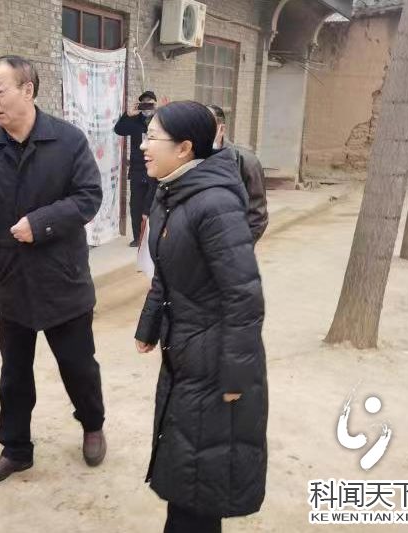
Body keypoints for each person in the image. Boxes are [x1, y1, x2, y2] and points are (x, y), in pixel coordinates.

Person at [0, 55, 107, 486]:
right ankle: (16, 449)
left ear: (27, 90)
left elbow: (88, 197)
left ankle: (92, 423)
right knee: (13, 375)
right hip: (14, 282)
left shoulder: (67, 141)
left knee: (78, 366)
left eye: (0, 90)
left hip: (63, 279)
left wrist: (41, 222)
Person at [134, 101, 268, 532]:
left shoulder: (215, 205)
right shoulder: (171, 194)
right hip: (186, 353)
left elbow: (244, 297)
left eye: (152, 137)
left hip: (214, 364)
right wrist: (149, 324)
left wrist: (235, 379)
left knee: (198, 483)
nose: (143, 146)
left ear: (185, 148)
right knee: (186, 469)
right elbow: (166, 271)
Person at [206, 104, 269, 242]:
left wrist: (236, 247)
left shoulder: (246, 162)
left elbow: (257, 216)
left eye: (207, 126)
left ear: (221, 129)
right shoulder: (187, 158)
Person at [114, 90, 160, 246]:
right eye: (144, 103)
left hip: (155, 167)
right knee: (136, 204)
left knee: (152, 202)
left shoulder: (160, 120)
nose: (147, 107)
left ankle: (152, 236)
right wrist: (128, 114)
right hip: (137, 169)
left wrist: (161, 111)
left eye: (150, 103)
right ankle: (138, 238)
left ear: (154, 104)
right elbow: (119, 130)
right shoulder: (134, 121)